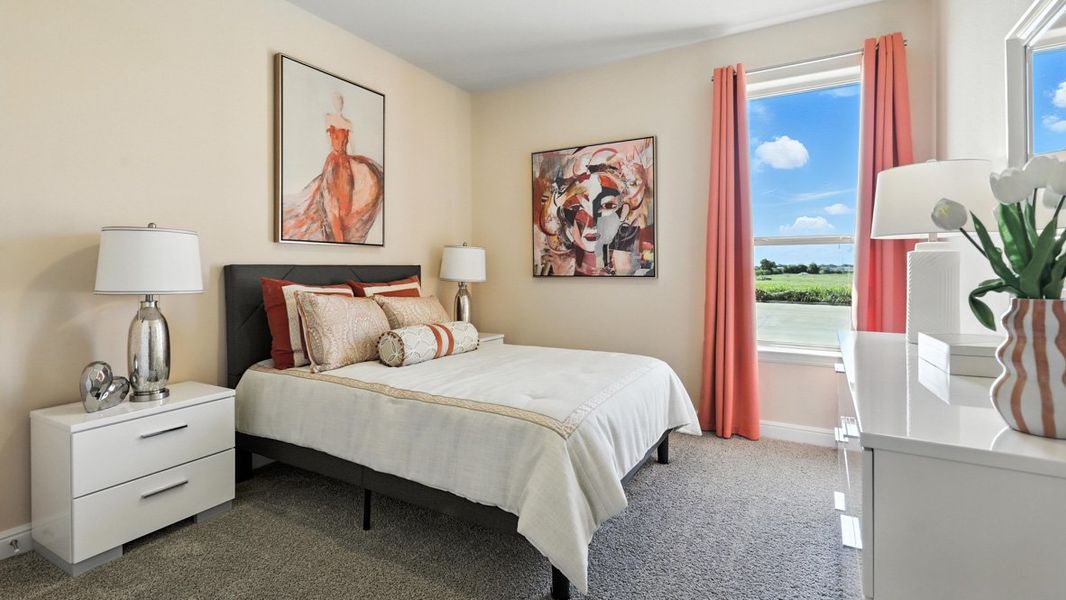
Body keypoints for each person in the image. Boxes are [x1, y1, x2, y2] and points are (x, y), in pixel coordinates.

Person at [282, 92, 383, 243]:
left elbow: (353, 146)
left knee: (346, 197)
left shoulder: (348, 123)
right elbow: (328, 142)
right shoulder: (328, 118)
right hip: (334, 161)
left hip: (345, 162)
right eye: (336, 101)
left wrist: (353, 159)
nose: (338, 104)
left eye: (340, 102)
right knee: (329, 194)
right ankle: (333, 229)